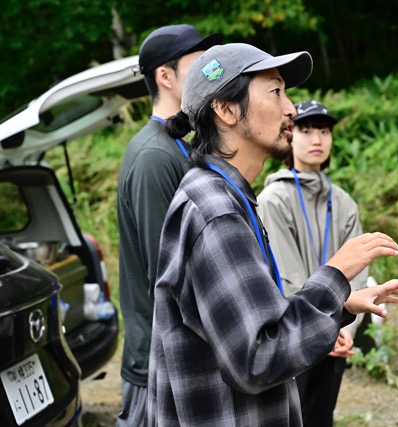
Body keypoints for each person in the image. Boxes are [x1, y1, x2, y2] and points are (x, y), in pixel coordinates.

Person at [146, 42, 398, 426]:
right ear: (225, 110)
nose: (291, 108)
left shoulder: (227, 195)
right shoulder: (216, 212)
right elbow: (259, 358)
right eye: (275, 91)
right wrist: (336, 273)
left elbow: (259, 327)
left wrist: (340, 305)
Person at [116, 24, 222, 426]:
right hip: (158, 367)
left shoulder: (182, 145)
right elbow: (166, 274)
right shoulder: (153, 156)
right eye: (199, 65)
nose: (211, 73)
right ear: (166, 76)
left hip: (183, 356)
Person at [256, 100, 367, 426]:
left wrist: (348, 325)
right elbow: (285, 277)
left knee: (322, 416)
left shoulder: (343, 201)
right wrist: (323, 329)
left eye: (324, 130)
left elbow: (359, 272)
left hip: (338, 331)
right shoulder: (274, 199)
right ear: (290, 135)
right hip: (293, 336)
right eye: (306, 130)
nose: (317, 139)